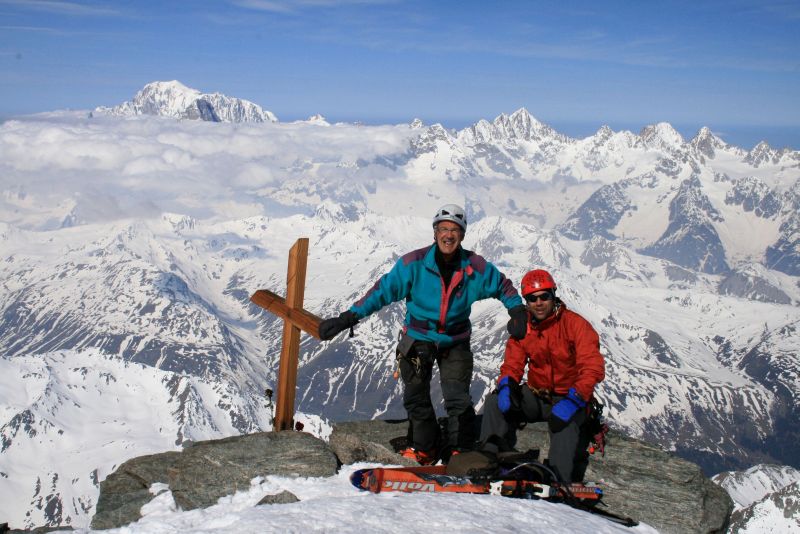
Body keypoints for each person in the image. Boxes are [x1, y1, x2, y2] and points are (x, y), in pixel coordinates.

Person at [319, 204, 527, 464]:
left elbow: (503, 286)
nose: (448, 235)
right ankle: (425, 447)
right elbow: (382, 291)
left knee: (457, 398)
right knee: (416, 395)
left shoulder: (474, 268)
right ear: (435, 232)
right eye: (443, 229)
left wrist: (517, 310)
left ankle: (459, 450)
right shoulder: (413, 264)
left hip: (455, 340)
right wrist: (348, 317)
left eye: (454, 230)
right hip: (418, 338)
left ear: (462, 235)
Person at [478, 268, 605, 483]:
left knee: (566, 425)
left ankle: (557, 481)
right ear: (526, 301)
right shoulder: (524, 328)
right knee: (494, 402)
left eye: (544, 296)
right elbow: (512, 364)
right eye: (532, 298)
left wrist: (575, 399)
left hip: (569, 398)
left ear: (553, 295)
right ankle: (487, 461)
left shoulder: (576, 326)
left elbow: (592, 367)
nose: (538, 303)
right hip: (537, 395)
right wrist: (507, 385)